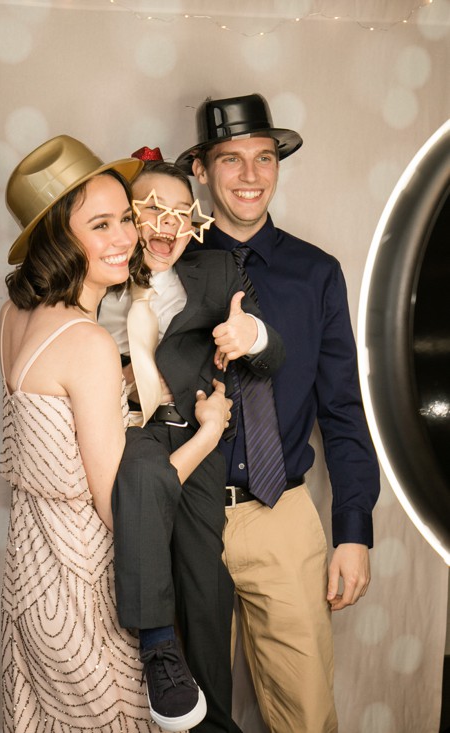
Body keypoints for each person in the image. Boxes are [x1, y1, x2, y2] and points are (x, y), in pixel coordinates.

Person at [0, 134, 231, 733]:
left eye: (125, 217)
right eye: (100, 225)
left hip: (30, 573)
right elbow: (116, 505)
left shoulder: (14, 314)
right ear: (58, 237)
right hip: (83, 588)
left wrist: (118, 390)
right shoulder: (89, 341)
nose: (127, 237)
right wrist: (207, 433)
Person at [175, 93, 380, 732]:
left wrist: (353, 528)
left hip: (282, 512)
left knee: (307, 712)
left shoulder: (317, 273)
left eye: (264, 158)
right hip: (187, 512)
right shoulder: (164, 265)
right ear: (202, 172)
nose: (251, 176)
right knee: (187, 713)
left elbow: (343, 408)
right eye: (231, 160)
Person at [99, 149, 285, 733]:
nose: (170, 225)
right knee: (140, 473)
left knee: (207, 589)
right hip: (122, 432)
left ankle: (213, 722)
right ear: (128, 217)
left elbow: (273, 354)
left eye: (184, 213)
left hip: (194, 437)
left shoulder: (215, 273)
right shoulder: (95, 272)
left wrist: (248, 333)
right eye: (154, 209)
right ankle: (159, 651)